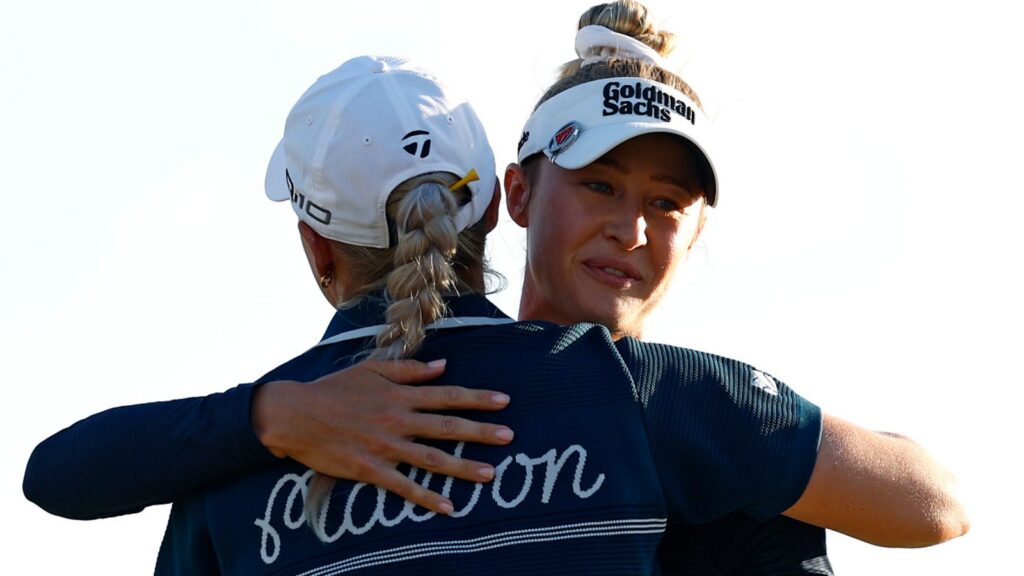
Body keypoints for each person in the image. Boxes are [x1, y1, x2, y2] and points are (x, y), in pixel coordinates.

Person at [24, 5, 967, 574]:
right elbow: (935, 508)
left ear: (316, 248)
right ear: (497, 208)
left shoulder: (227, 479)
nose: (630, 229)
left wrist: (261, 419)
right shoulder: (660, 403)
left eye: (666, 202)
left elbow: (53, 473)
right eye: (600, 185)